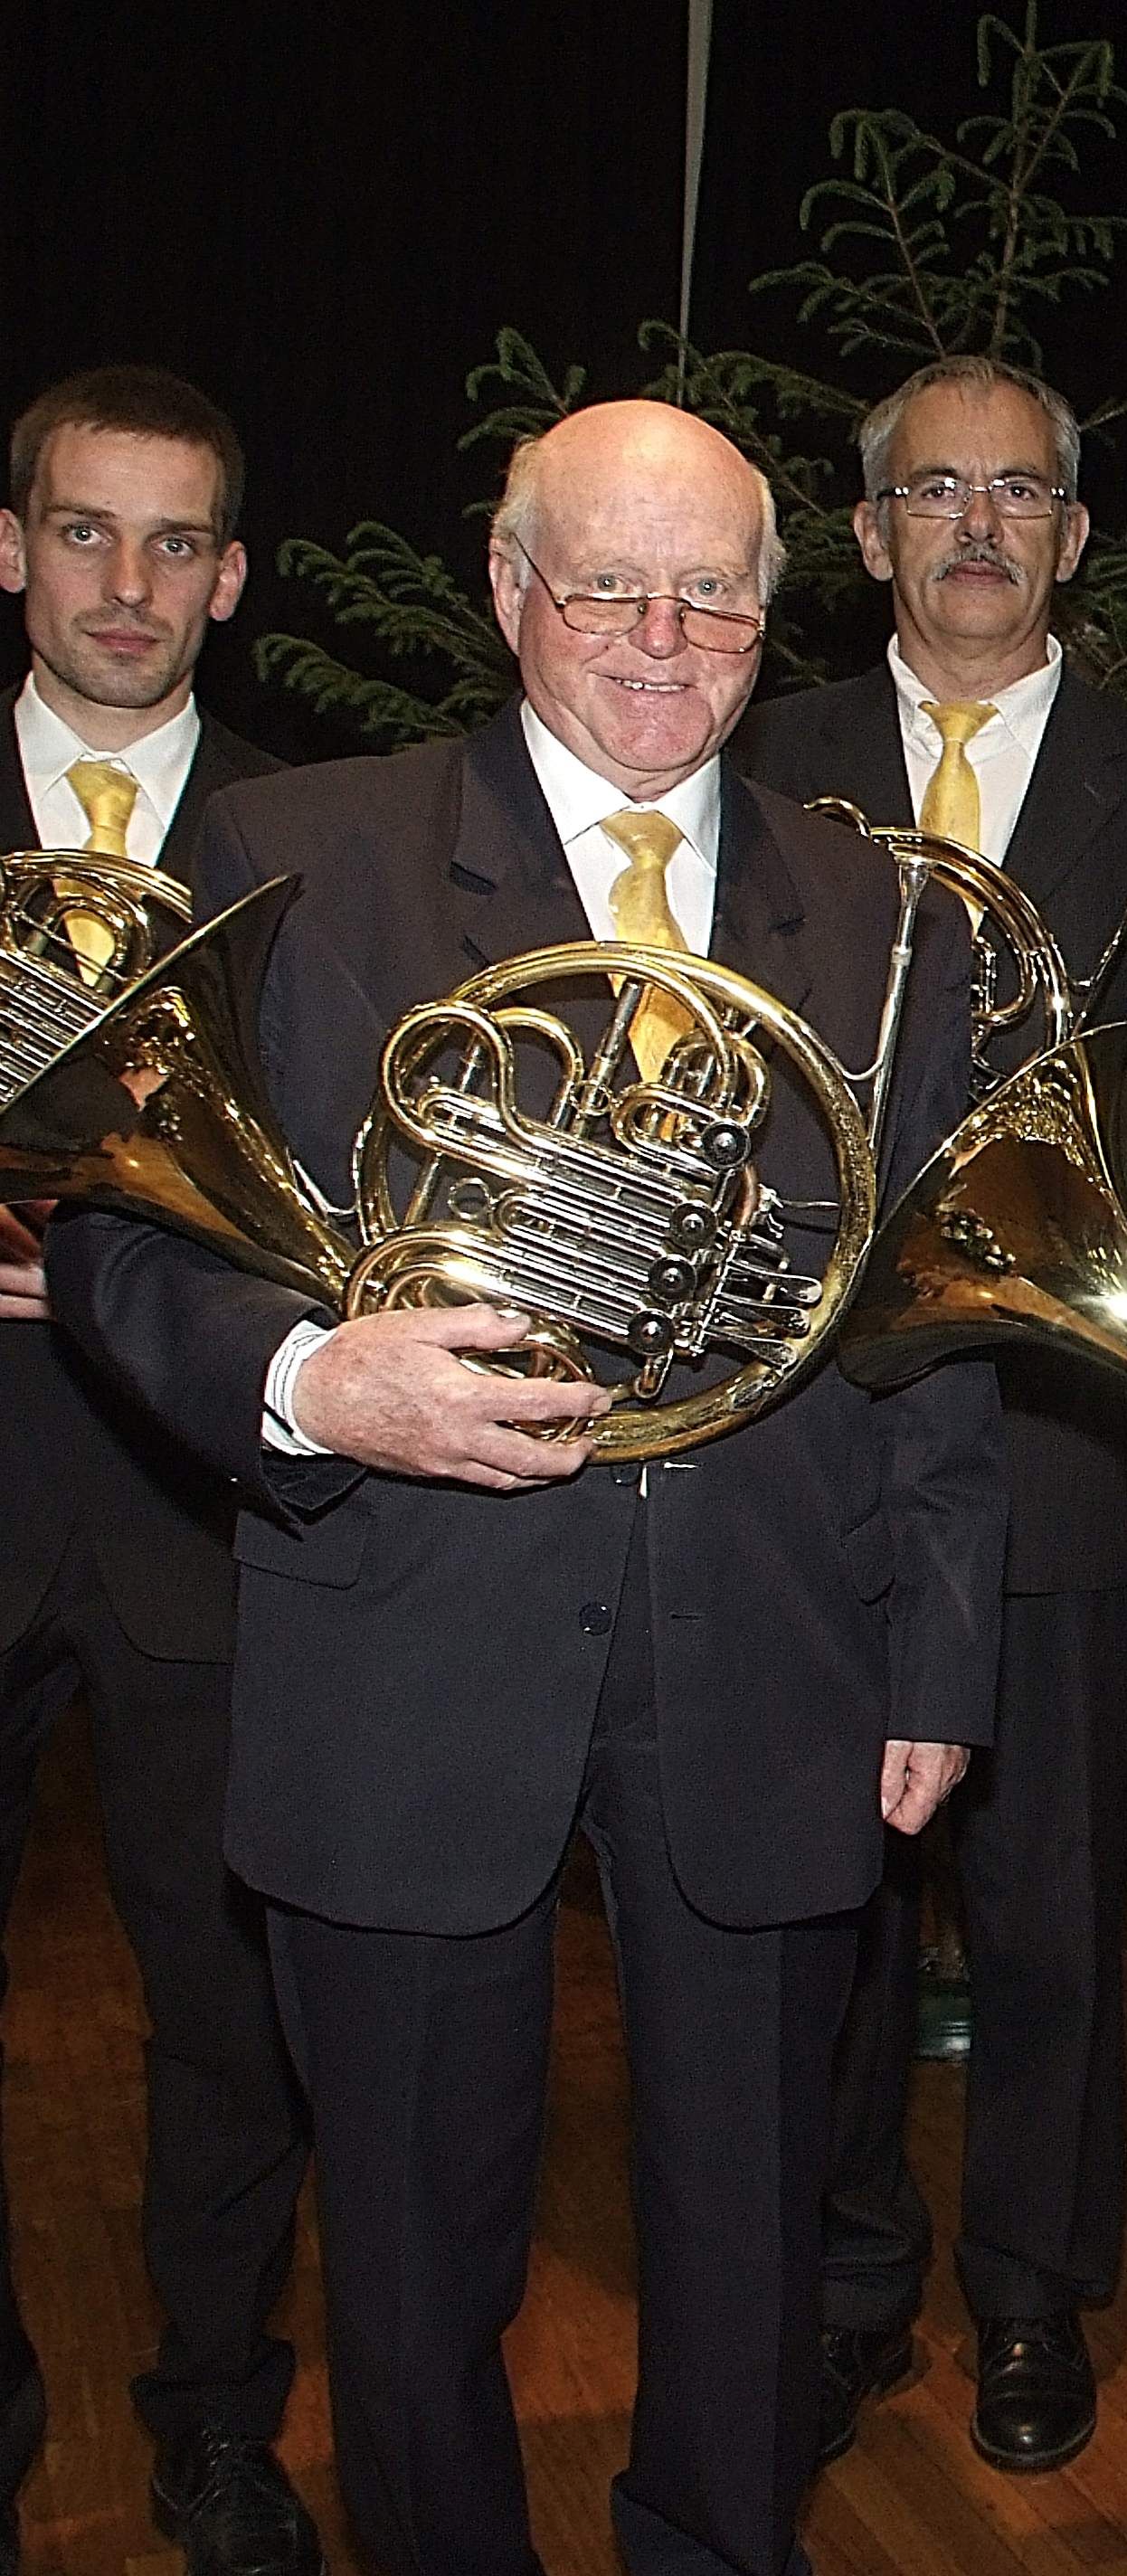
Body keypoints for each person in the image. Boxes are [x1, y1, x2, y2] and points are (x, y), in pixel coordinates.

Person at [51, 400, 1008, 2576]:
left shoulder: (878, 906)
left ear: (777, 615)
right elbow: (124, 1234)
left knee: (753, 2252)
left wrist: (937, 1649)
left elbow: (931, 1316)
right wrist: (310, 1375)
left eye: (715, 598)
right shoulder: (295, 857)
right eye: (609, 589)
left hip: (774, 1646)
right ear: (507, 590)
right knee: (402, 2257)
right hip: (409, 1632)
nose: (663, 642)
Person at [738, 351, 1127, 2477]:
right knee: (823, 1884)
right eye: (931, 491)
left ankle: (1033, 2283)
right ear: (865, 535)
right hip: (790, 1423)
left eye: (1017, 492)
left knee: (1049, 1890)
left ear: (1070, 533)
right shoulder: (750, 754)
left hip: (1058, 1432)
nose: (974, 526)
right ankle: (848, 2269)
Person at [0, 366, 311, 2576]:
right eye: (87, 532)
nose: (132, 582)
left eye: (175, 540)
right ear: (9, 546)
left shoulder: (324, 844)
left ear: (228, 573)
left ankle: (216, 2415)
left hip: (210, 1512)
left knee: (231, 2015)